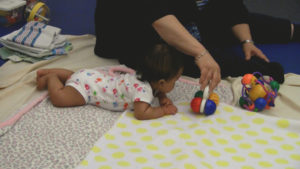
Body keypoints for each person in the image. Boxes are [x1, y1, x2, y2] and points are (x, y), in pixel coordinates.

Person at [94, 0, 300, 92]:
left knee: (232, 22)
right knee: (176, 58)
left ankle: (293, 30)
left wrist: (247, 41)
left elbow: (231, 6)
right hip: (134, 29)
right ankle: (256, 70)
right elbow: (158, 18)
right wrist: (201, 53)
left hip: (182, 14)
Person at [36, 43, 184, 120]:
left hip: (90, 76)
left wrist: (162, 96)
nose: (175, 84)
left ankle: (49, 71)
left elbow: (157, 90)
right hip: (86, 90)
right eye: (175, 81)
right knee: (60, 98)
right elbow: (142, 113)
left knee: (75, 76)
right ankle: (51, 78)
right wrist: (162, 110)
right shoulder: (143, 92)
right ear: (162, 82)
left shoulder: (143, 77)